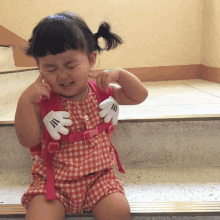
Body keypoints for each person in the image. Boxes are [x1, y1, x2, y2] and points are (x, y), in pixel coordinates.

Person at [14, 11, 148, 220]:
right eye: (50, 68)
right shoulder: (42, 101)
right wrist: (24, 102)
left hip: (99, 180)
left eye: (70, 65)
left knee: (118, 211)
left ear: (91, 59)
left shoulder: (101, 91)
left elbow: (139, 96)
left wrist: (120, 75)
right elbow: (28, 140)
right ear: (39, 68)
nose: (62, 75)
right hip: (53, 183)